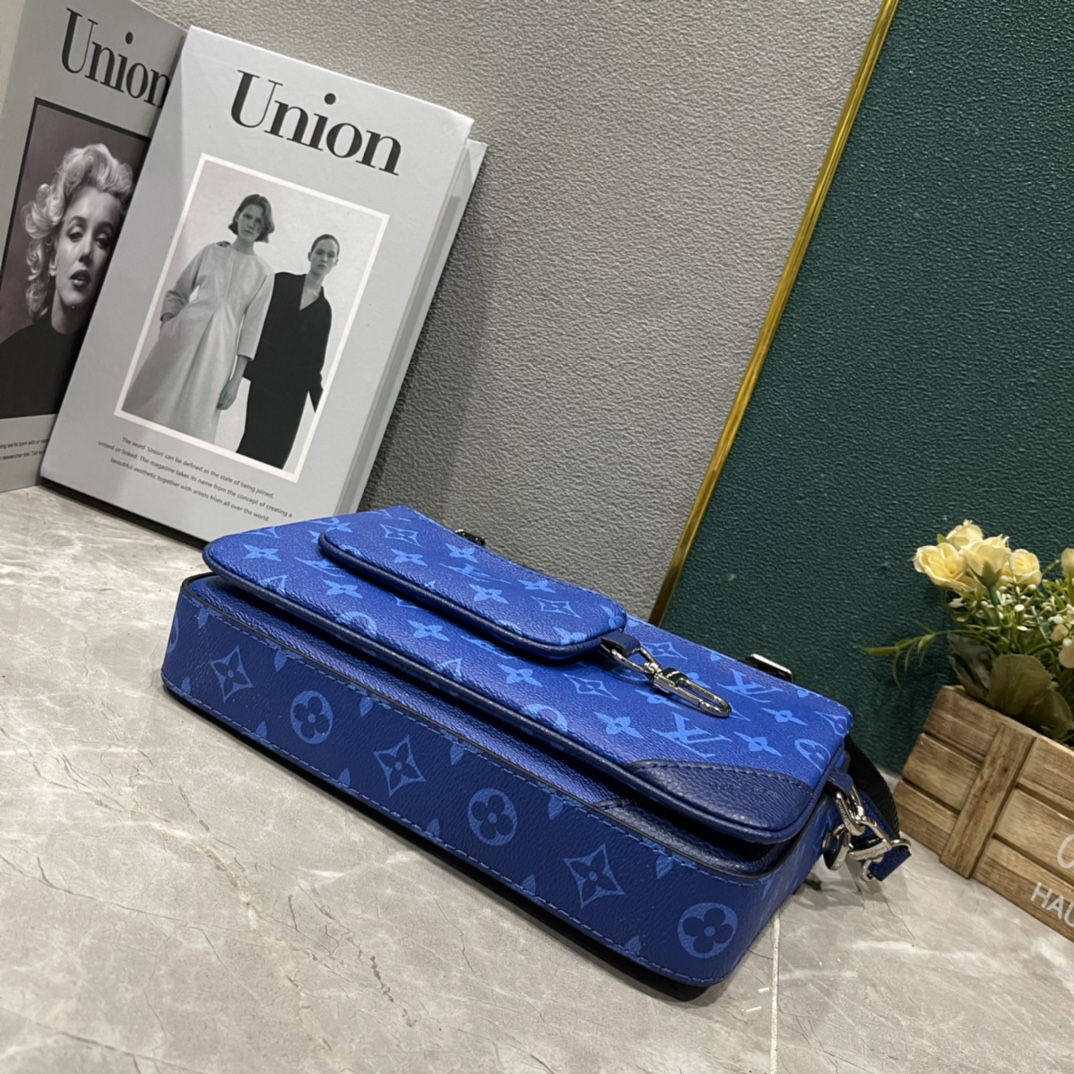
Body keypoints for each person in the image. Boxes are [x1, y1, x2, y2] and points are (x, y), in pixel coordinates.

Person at [122, 194, 275, 443]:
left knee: (195, 426)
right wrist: (168, 326)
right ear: (237, 216)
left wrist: (235, 381)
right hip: (180, 340)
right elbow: (177, 293)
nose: (251, 224)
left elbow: (252, 329)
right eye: (248, 216)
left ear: (264, 227)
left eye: (259, 221)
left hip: (219, 354)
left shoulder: (264, 273)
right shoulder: (211, 252)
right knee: (148, 410)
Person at [0, 144, 133, 419]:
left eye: (102, 240)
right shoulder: (8, 359)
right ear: (52, 257)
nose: (86, 252)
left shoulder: (115, 372)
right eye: (75, 234)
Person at [236, 233, 339, 467]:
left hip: (294, 396)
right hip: (265, 384)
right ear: (310, 255)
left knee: (274, 459)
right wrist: (230, 252)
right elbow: (251, 302)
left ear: (335, 262)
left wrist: (320, 408)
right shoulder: (282, 282)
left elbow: (315, 365)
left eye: (330, 255)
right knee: (250, 447)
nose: (323, 258)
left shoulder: (324, 311)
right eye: (319, 252)